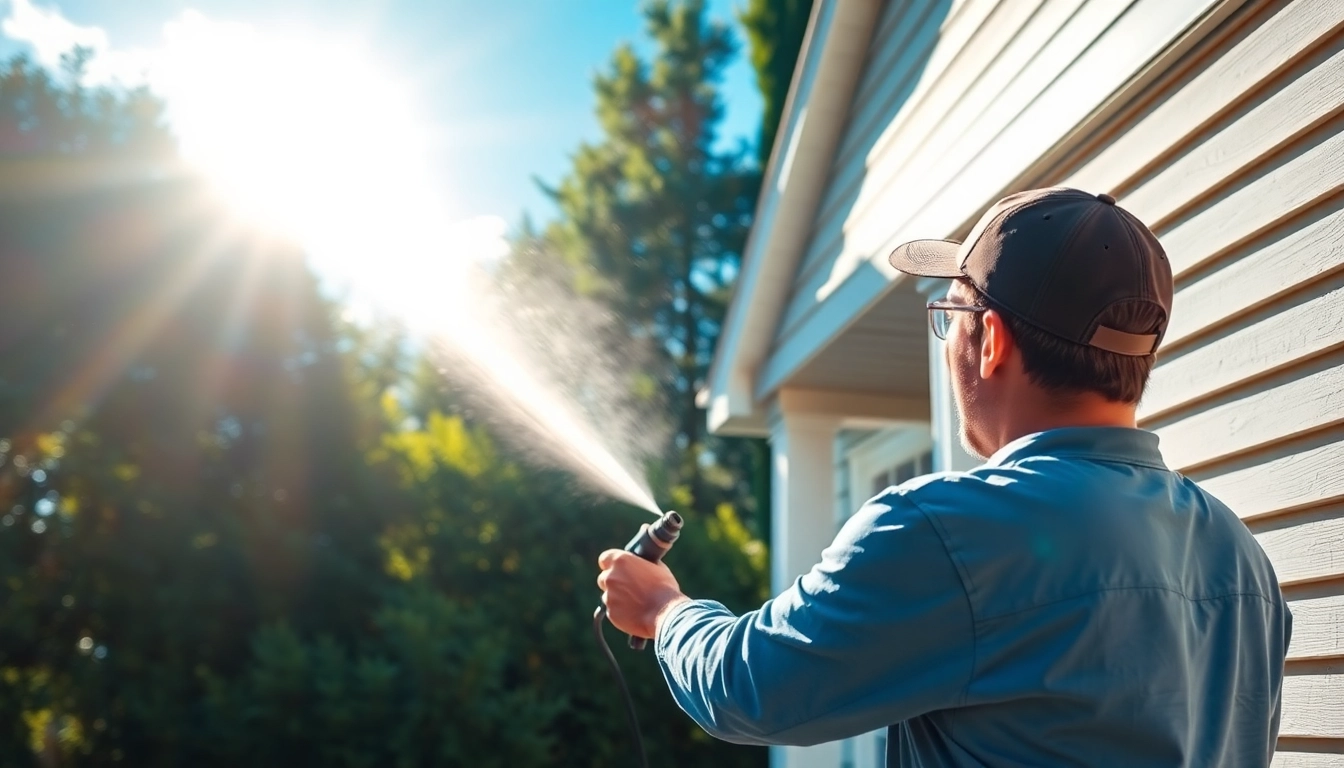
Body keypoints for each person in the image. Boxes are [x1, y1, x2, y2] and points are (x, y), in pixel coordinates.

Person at [596, 187, 1293, 766]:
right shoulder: (1245, 562)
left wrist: (665, 611)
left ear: (990, 341)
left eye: (951, 317)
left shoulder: (944, 531)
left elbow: (752, 689)